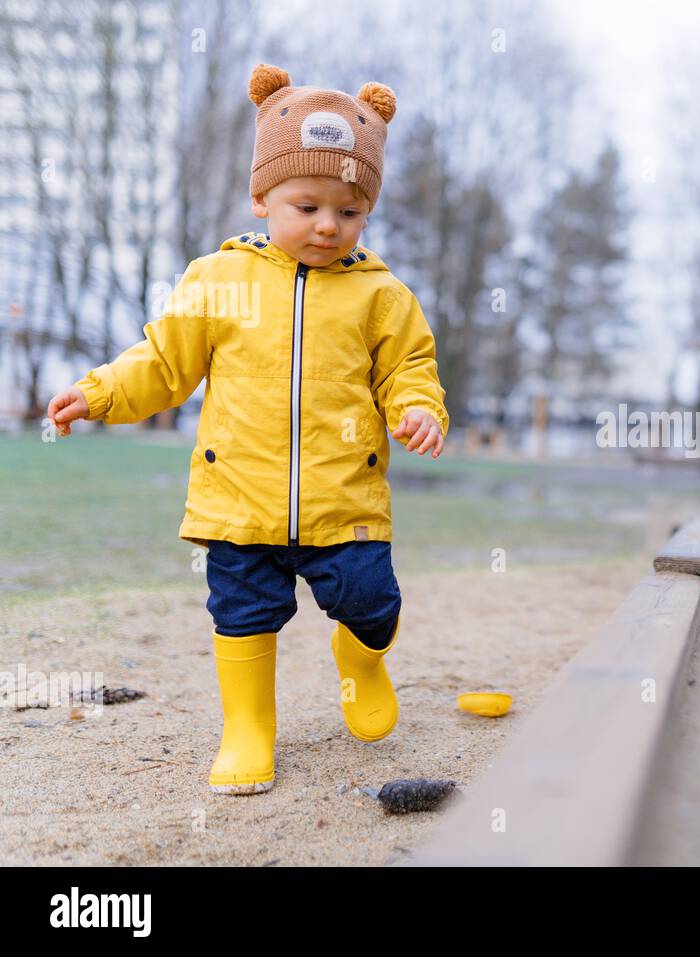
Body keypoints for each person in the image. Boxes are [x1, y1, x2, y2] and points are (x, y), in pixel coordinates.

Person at [45, 63, 450, 795]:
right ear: (261, 197)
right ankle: (249, 727)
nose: (328, 225)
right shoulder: (217, 279)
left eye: (349, 211)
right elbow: (165, 364)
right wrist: (98, 391)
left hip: (345, 505)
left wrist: (418, 408)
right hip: (238, 502)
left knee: (373, 603)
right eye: (307, 204)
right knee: (242, 615)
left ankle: (360, 659)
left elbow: (409, 370)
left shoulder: (381, 296)